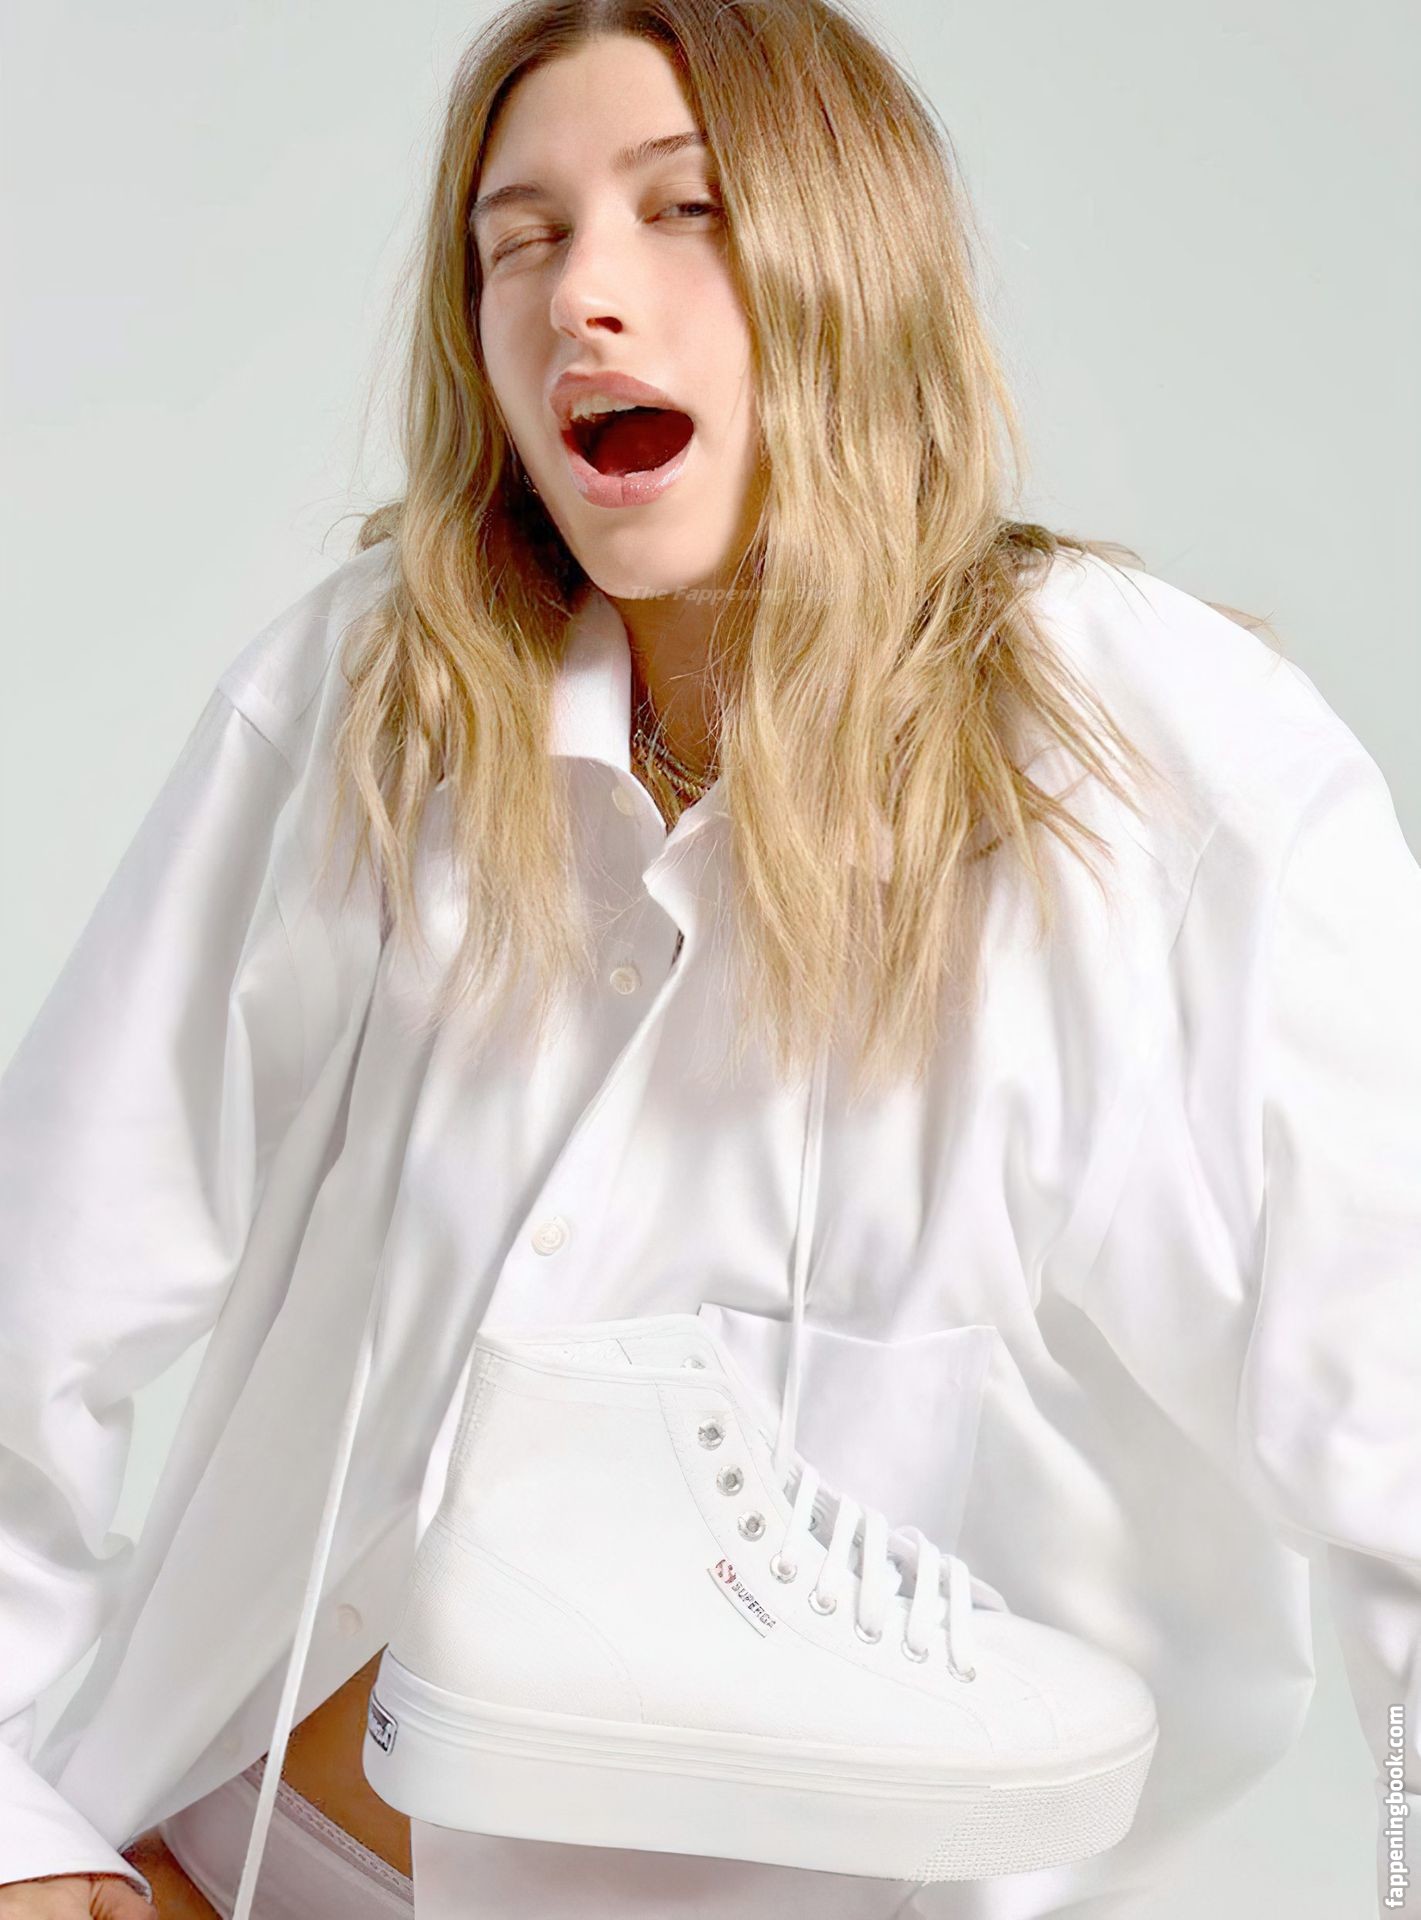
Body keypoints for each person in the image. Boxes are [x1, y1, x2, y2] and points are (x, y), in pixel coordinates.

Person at [2, 3, 1417, 1918]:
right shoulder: (384, 696)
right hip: (233, 1869)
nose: (582, 295)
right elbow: (45, 1275)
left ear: (852, 254)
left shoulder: (1157, 767)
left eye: (687, 211)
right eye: (517, 239)